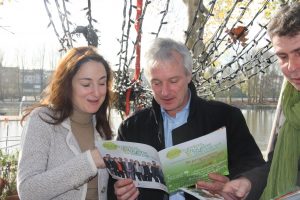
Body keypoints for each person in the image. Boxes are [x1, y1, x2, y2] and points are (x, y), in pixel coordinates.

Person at [107, 37, 265, 200]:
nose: (165, 92)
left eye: (173, 81)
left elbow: (256, 168)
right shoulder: (131, 128)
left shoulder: (225, 117)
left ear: (189, 76)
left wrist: (239, 182)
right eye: (156, 83)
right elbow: (113, 188)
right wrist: (120, 194)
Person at [197, 2, 300, 200]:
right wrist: (247, 183)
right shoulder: (291, 102)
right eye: (282, 56)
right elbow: (275, 165)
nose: (292, 67)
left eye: (299, 52)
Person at [17, 46, 114, 200]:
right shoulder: (42, 120)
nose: (97, 92)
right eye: (86, 84)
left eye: (102, 83)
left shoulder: (102, 126)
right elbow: (28, 191)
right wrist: (89, 162)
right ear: (67, 85)